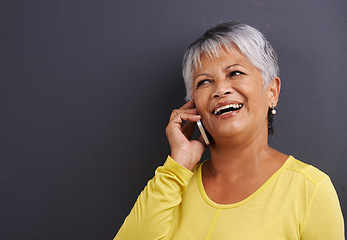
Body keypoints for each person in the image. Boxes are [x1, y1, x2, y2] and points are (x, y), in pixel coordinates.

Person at [114, 21, 344, 239]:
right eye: (204, 82)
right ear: (194, 105)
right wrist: (178, 166)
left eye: (235, 73)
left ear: (271, 92)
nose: (220, 89)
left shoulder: (310, 190)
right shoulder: (172, 185)